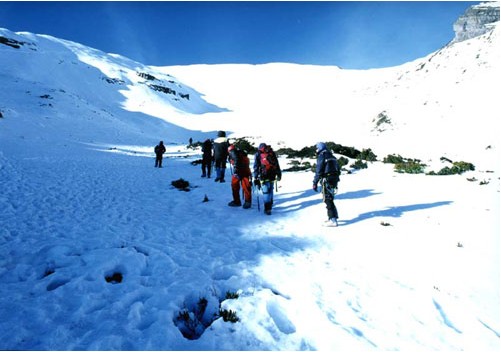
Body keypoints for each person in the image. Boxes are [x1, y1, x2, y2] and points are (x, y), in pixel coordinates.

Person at [312, 142, 340, 226]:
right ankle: (333, 217)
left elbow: (319, 170)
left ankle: (333, 220)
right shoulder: (332, 156)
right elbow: (338, 169)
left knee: (327, 198)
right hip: (334, 179)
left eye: (316, 148)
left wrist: (315, 182)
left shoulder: (322, 156)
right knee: (330, 198)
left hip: (327, 179)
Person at [253, 143, 282, 215]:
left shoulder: (258, 154)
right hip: (272, 174)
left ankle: (267, 208)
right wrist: (279, 174)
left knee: (266, 192)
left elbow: (256, 166)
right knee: (270, 189)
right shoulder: (271, 153)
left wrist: (256, 176)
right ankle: (270, 205)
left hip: (264, 175)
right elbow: (277, 164)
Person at [227, 144, 252, 209]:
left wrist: (236, 172)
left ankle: (237, 201)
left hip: (239, 172)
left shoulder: (233, 152)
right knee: (246, 187)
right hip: (245, 171)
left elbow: (236, 162)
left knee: (235, 186)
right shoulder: (242, 154)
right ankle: (248, 202)